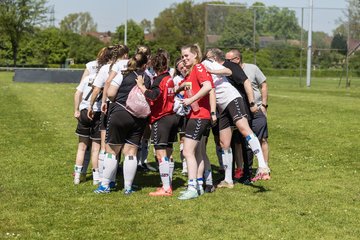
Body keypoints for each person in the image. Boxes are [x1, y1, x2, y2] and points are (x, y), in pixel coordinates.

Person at [206, 48, 270, 185]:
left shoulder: (229, 66)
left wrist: (253, 103)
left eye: (208, 58)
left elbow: (246, 82)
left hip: (240, 103)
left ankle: (260, 166)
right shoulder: (214, 67)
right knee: (227, 143)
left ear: (214, 58)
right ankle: (229, 178)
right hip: (223, 107)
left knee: (245, 135)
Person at [94, 53, 151, 195]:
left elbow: (111, 93)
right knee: (131, 153)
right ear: (145, 65)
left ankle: (105, 185)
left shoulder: (122, 74)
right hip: (139, 117)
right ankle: (128, 187)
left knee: (112, 151)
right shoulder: (148, 78)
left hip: (119, 114)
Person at [176, 44, 215, 200]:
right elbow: (186, 87)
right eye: (183, 56)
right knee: (197, 152)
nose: (184, 59)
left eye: (187, 56)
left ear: (195, 55)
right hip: (195, 115)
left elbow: (208, 86)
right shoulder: (191, 72)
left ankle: (192, 187)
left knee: (187, 152)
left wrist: (191, 99)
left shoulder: (199, 67)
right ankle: (198, 185)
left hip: (200, 116)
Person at [135, 53, 178, 196]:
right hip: (172, 117)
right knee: (168, 152)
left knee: (160, 153)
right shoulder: (169, 78)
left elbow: (153, 95)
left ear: (154, 65)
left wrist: (141, 86)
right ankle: (168, 184)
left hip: (162, 117)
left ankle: (166, 188)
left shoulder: (159, 79)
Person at [88, 44, 129, 187]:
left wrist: (91, 105)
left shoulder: (105, 69)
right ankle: (114, 177)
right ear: (124, 55)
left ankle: (102, 178)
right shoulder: (130, 66)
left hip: (110, 109)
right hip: (128, 109)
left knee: (106, 147)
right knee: (123, 147)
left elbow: (97, 89)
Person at [226, 49, 270, 181]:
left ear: (237, 59)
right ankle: (247, 171)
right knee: (246, 142)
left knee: (262, 138)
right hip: (241, 111)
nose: (226, 63)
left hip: (256, 109)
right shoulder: (227, 73)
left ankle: (265, 169)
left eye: (229, 60)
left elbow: (263, 85)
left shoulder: (252, 68)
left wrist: (264, 105)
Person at [73, 47, 113, 185]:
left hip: (84, 111)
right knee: (96, 148)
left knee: (82, 147)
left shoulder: (87, 78)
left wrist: (76, 110)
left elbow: (77, 93)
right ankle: (96, 177)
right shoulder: (106, 80)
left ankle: (77, 176)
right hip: (97, 113)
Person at [172, 58, 189, 176]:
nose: (183, 68)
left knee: (185, 139)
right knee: (176, 140)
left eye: (184, 66)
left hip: (189, 112)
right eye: (180, 67)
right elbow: (174, 92)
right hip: (178, 112)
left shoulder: (192, 76)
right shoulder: (176, 79)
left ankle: (185, 165)